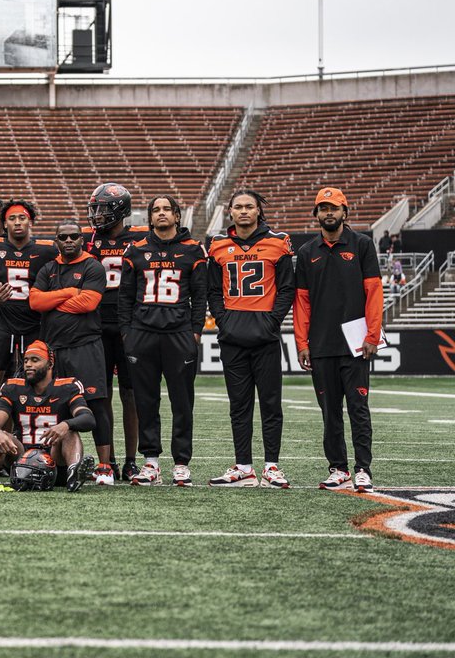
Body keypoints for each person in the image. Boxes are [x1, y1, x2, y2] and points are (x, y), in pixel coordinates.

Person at [293, 187, 383, 493]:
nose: (328, 213)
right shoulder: (306, 252)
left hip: (356, 346)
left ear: (345, 212)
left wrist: (372, 334)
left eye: (334, 208)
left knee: (359, 409)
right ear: (316, 214)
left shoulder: (362, 245)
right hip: (320, 347)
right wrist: (302, 343)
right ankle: (338, 469)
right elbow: (302, 302)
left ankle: (363, 470)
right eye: (323, 208)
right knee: (330, 413)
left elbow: (373, 292)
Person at [206, 190, 294, 489]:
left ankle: (271, 466)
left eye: (249, 207)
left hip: (265, 336)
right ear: (230, 211)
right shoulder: (218, 245)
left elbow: (286, 290)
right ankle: (244, 466)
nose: (244, 211)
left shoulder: (277, 242)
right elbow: (213, 292)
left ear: (259, 211)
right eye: (238, 207)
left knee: (271, 404)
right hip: (233, 337)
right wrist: (224, 320)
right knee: (239, 405)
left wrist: (272, 321)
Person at [119, 195, 207, 488]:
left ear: (177, 216)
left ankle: (181, 463)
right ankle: (151, 462)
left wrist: (195, 332)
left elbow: (200, 296)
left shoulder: (193, 250)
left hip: (178, 334)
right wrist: (127, 333)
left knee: (183, 402)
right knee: (145, 400)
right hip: (143, 334)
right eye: (155, 210)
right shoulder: (136, 250)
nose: (160, 214)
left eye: (166, 209)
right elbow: (125, 296)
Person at [29, 219, 113, 484]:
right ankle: (61, 463)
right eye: (62, 237)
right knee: (56, 406)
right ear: (56, 240)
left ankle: (105, 466)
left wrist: (51, 302)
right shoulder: (49, 268)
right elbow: (34, 302)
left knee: (97, 404)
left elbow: (88, 303)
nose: (68, 241)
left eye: (73, 236)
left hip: (85, 346)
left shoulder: (92, 266)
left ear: (81, 239)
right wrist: (68, 293)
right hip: (54, 349)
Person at [0, 199, 57, 451]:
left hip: (33, 329)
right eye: (12, 218)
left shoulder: (47, 249)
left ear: (30, 221)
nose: (17, 223)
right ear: (4, 222)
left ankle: (32, 454)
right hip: (1, 326)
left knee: (36, 395)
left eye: (22, 218)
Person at [0, 341, 96, 492]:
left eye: (35, 360)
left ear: (50, 363)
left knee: (69, 432)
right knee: (3, 436)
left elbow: (88, 418)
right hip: (22, 460)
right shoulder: (13, 387)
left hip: (56, 462)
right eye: (26, 360)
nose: (28, 364)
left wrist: (65, 424)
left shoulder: (67, 387)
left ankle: (74, 473)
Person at [85, 182, 144, 482]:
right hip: (96, 324)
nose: (97, 215)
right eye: (95, 209)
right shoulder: (86, 240)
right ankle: (107, 459)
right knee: (101, 393)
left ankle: (132, 459)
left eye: (103, 209)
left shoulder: (140, 240)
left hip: (129, 324)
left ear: (121, 211)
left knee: (131, 394)